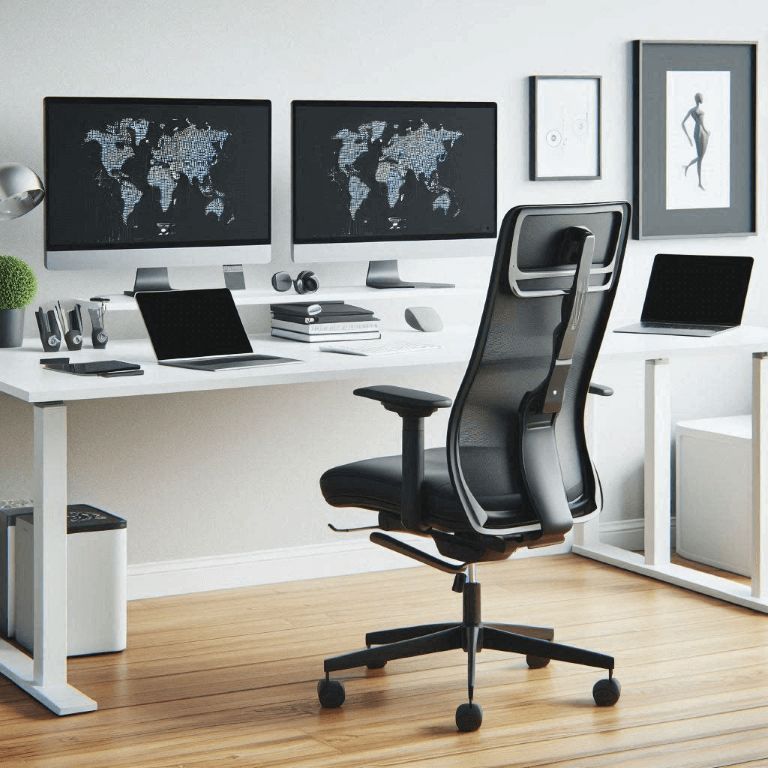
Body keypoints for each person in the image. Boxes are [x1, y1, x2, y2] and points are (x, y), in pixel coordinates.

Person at [682, 93, 710, 191]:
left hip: (697, 133)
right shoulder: (698, 111)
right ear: (699, 99)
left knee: (700, 158)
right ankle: (699, 182)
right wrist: (707, 132)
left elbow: (682, 123)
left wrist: (689, 138)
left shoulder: (692, 110)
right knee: (700, 158)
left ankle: (688, 167)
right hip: (700, 133)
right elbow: (702, 124)